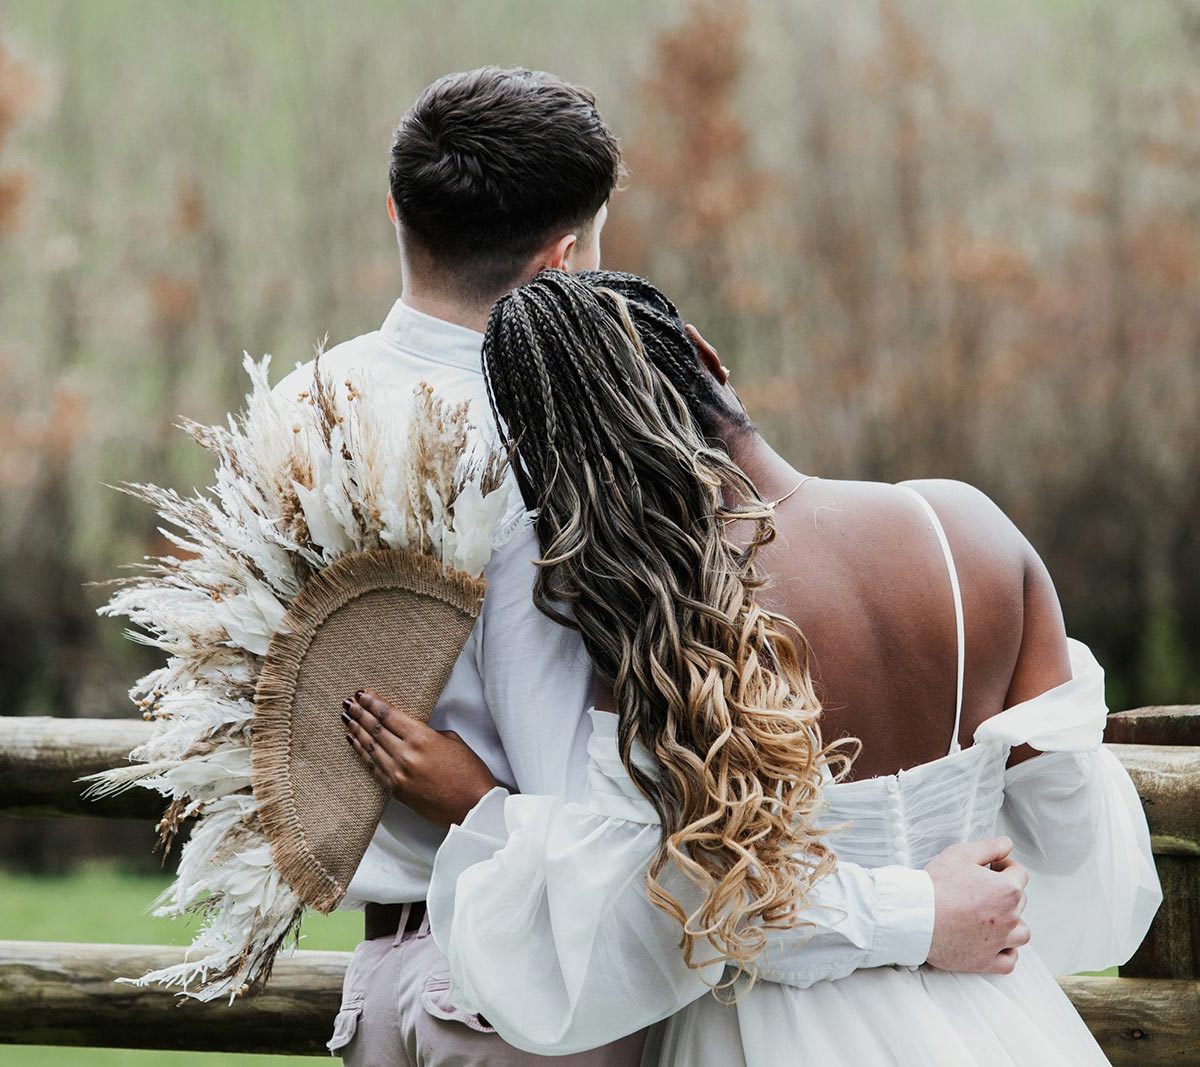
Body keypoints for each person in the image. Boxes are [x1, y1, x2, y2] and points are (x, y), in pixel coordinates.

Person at [287, 67, 1042, 1065]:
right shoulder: (555, 455)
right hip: (550, 989)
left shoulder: (303, 407)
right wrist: (915, 908)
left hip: (380, 980)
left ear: (397, 208)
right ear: (562, 262)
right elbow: (640, 852)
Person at [345, 269, 1161, 1064]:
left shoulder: (666, 628)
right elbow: (1076, 843)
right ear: (704, 354)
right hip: (997, 1021)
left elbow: (662, 920)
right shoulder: (968, 530)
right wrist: (940, 886)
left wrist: (479, 804)